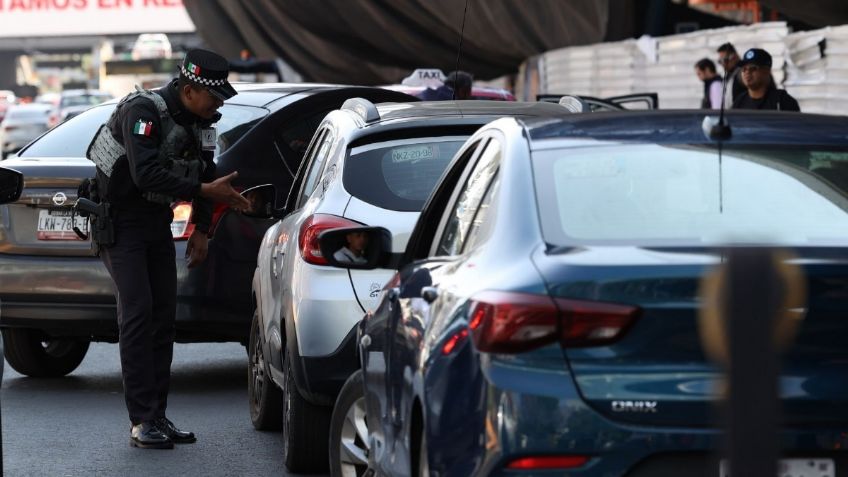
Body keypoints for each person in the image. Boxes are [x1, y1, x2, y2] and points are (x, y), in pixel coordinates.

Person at [87, 49, 251, 449]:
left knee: (163, 318)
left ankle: (157, 415)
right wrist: (201, 191)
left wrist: (202, 230)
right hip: (119, 222)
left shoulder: (202, 121)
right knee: (139, 314)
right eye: (214, 97)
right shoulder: (142, 111)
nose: (219, 105)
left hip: (154, 223)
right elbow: (146, 174)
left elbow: (210, 174)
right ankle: (141, 421)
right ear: (190, 89)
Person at [732, 48, 800, 112]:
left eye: (753, 68)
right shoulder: (739, 102)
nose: (747, 72)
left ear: (767, 71)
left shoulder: (783, 101)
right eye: (744, 69)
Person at [717, 43, 745, 108]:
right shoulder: (729, 75)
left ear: (734, 57)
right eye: (720, 61)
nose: (722, 63)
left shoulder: (742, 73)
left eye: (724, 60)